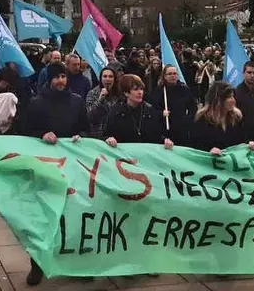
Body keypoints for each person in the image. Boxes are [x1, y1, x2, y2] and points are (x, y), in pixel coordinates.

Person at [23, 62, 89, 286]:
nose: (61, 81)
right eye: (57, 77)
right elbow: (23, 132)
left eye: (64, 76)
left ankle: (77, 264)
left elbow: (86, 128)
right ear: (49, 79)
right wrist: (41, 134)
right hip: (46, 169)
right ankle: (37, 265)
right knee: (44, 219)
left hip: (72, 167)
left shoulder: (77, 102)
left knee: (74, 216)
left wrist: (81, 135)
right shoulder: (36, 103)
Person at [189, 81, 254, 154]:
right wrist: (209, 150)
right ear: (218, 100)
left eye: (233, 97)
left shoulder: (237, 118)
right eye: (229, 97)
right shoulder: (202, 119)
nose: (233, 100)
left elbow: (243, 139)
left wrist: (250, 144)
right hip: (209, 163)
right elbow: (196, 146)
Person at [104, 74, 173, 147]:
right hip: (125, 155)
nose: (140, 92)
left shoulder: (150, 111)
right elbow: (106, 135)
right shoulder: (116, 112)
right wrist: (108, 139)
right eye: (135, 89)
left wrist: (165, 140)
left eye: (141, 89)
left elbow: (157, 135)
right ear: (126, 93)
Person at [148, 65, 197, 146]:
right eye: (169, 74)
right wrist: (161, 113)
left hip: (181, 129)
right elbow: (152, 109)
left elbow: (193, 108)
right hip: (164, 129)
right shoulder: (159, 91)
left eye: (174, 73)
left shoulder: (184, 90)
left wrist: (187, 120)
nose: (173, 76)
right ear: (164, 76)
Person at [85, 67, 122, 137]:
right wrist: (99, 100)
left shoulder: (120, 94)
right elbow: (89, 117)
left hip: (116, 135)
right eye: (105, 76)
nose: (107, 79)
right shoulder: (92, 93)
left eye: (110, 76)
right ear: (100, 78)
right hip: (98, 135)